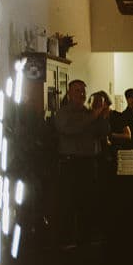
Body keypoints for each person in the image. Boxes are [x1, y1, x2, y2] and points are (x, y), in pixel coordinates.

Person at [53, 79, 111, 246]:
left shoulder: (89, 112)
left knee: (88, 202)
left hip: (89, 163)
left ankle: (86, 238)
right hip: (71, 164)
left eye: (83, 91)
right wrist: (93, 116)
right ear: (69, 94)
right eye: (77, 91)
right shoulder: (63, 113)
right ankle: (67, 239)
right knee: (70, 202)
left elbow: (102, 133)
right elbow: (70, 129)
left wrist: (103, 116)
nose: (81, 94)